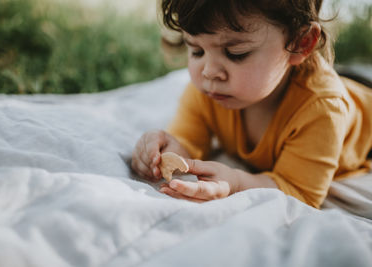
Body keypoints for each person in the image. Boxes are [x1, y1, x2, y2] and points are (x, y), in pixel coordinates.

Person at [131, 0, 372, 208]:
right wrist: (165, 152)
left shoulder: (324, 108)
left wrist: (236, 182)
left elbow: (300, 193)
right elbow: (187, 145)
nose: (209, 71)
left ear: (302, 43)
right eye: (196, 51)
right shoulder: (206, 89)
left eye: (236, 53)